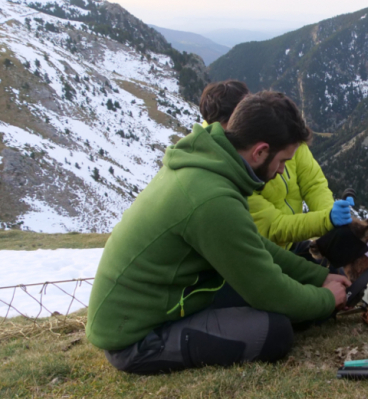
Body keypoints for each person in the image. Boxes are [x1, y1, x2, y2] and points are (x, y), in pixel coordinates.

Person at [86, 91, 351, 374]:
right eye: (283, 161)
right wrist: (325, 300)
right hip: (136, 337)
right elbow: (266, 288)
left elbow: (255, 247)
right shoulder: (212, 198)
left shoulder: (209, 166)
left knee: (288, 308)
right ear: (260, 151)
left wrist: (319, 276)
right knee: (275, 332)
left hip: (174, 296)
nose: (281, 171)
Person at [199, 80, 353, 255]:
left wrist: (332, 223)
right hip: (264, 252)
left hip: (293, 241)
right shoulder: (229, 167)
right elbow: (273, 226)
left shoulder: (282, 131)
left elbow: (313, 183)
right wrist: (328, 220)